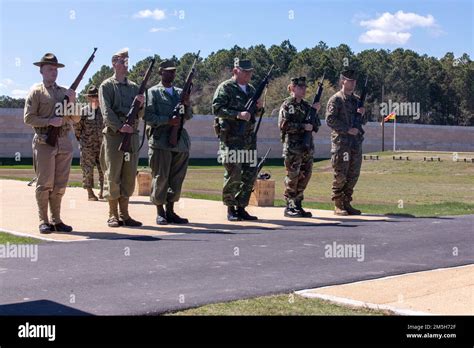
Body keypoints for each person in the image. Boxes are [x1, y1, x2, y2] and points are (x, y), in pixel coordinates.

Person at [24, 53, 80, 234]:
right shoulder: (36, 92)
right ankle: (44, 220)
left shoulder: (65, 92)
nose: (53, 72)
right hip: (44, 141)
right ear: (41, 71)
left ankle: (56, 219)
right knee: (45, 182)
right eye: (50, 69)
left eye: (55, 69)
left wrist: (72, 100)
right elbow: (28, 118)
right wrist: (49, 121)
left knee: (60, 183)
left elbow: (76, 119)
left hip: (64, 140)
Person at [212, 59, 264, 221]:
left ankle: (241, 207)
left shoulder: (252, 90)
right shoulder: (226, 88)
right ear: (236, 71)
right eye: (245, 71)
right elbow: (217, 108)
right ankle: (230, 208)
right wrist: (237, 114)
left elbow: (256, 113)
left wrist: (260, 107)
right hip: (231, 139)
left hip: (248, 139)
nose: (249, 75)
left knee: (249, 174)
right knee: (234, 173)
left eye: (250, 72)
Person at [99, 49, 145, 227]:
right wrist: (120, 126)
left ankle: (125, 214)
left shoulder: (134, 87)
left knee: (128, 174)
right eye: (122, 61)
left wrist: (141, 104)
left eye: (127, 62)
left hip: (131, 136)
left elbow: (141, 113)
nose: (125, 65)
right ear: (114, 63)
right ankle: (113, 214)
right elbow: (106, 111)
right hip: (114, 136)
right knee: (113, 174)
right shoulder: (107, 86)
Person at [145, 59, 193, 225]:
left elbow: (188, 116)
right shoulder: (153, 92)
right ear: (161, 73)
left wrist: (186, 104)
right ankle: (160, 211)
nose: (171, 74)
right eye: (168, 71)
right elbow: (148, 116)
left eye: (173, 71)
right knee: (160, 177)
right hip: (160, 141)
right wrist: (167, 120)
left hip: (179, 142)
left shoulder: (180, 92)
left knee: (176, 178)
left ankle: (171, 211)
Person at [278, 76, 321, 217]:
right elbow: (284, 125)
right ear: (292, 88)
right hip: (293, 148)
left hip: (306, 147)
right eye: (300, 87)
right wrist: (303, 126)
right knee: (292, 178)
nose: (303, 90)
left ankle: (297, 204)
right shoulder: (287, 105)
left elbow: (316, 126)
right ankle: (289, 207)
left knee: (305, 176)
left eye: (304, 87)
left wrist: (315, 112)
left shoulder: (307, 106)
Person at [325, 69, 366, 215]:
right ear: (343, 81)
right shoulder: (336, 99)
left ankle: (347, 202)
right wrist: (347, 129)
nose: (353, 83)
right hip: (342, 143)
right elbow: (330, 120)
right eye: (350, 81)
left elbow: (363, 122)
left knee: (353, 174)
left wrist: (362, 113)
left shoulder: (356, 100)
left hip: (355, 143)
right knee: (340, 173)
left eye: (355, 81)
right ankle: (338, 204)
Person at [74, 85, 104, 201]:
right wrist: (83, 142)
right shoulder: (83, 112)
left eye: (97, 98)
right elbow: (77, 129)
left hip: (102, 145)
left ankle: (102, 190)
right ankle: (90, 192)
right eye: (92, 98)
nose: (95, 100)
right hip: (88, 146)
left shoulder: (104, 111)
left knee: (104, 169)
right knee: (87, 169)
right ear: (88, 99)